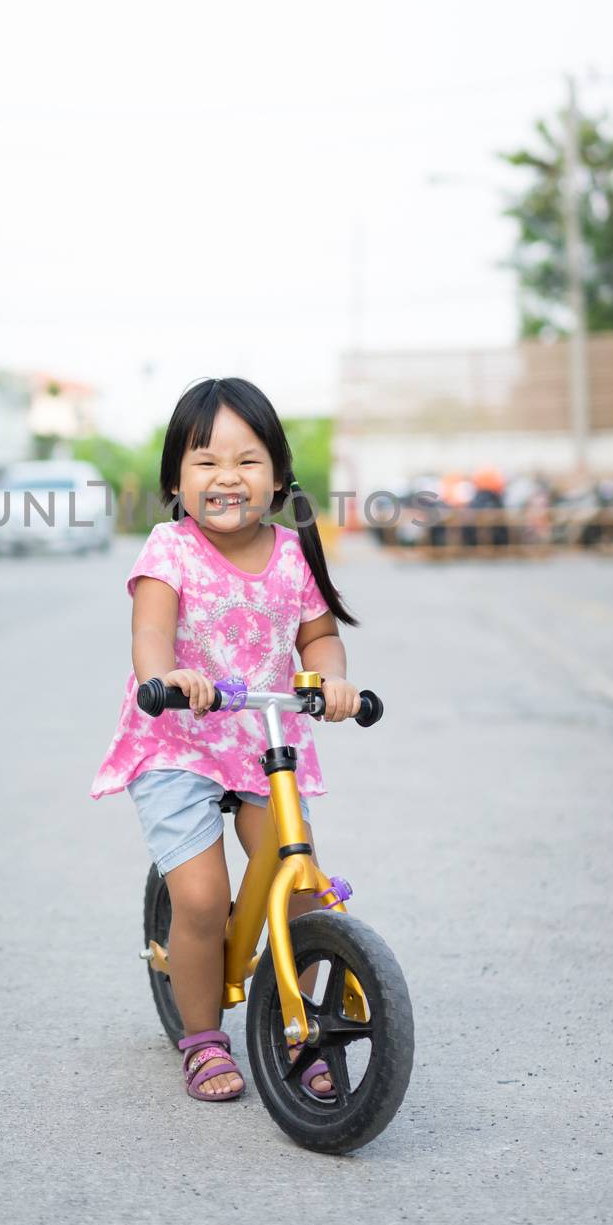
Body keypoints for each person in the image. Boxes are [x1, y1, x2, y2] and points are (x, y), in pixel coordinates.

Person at [90, 376, 363, 1102]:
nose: (226, 478)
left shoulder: (291, 554)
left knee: (297, 885)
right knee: (204, 899)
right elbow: (150, 630)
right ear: (176, 478)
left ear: (277, 476)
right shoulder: (169, 550)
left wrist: (328, 680)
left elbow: (320, 635)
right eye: (205, 460)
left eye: (247, 461)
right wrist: (168, 675)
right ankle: (203, 1036)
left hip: (263, 737)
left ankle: (297, 1028)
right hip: (180, 736)